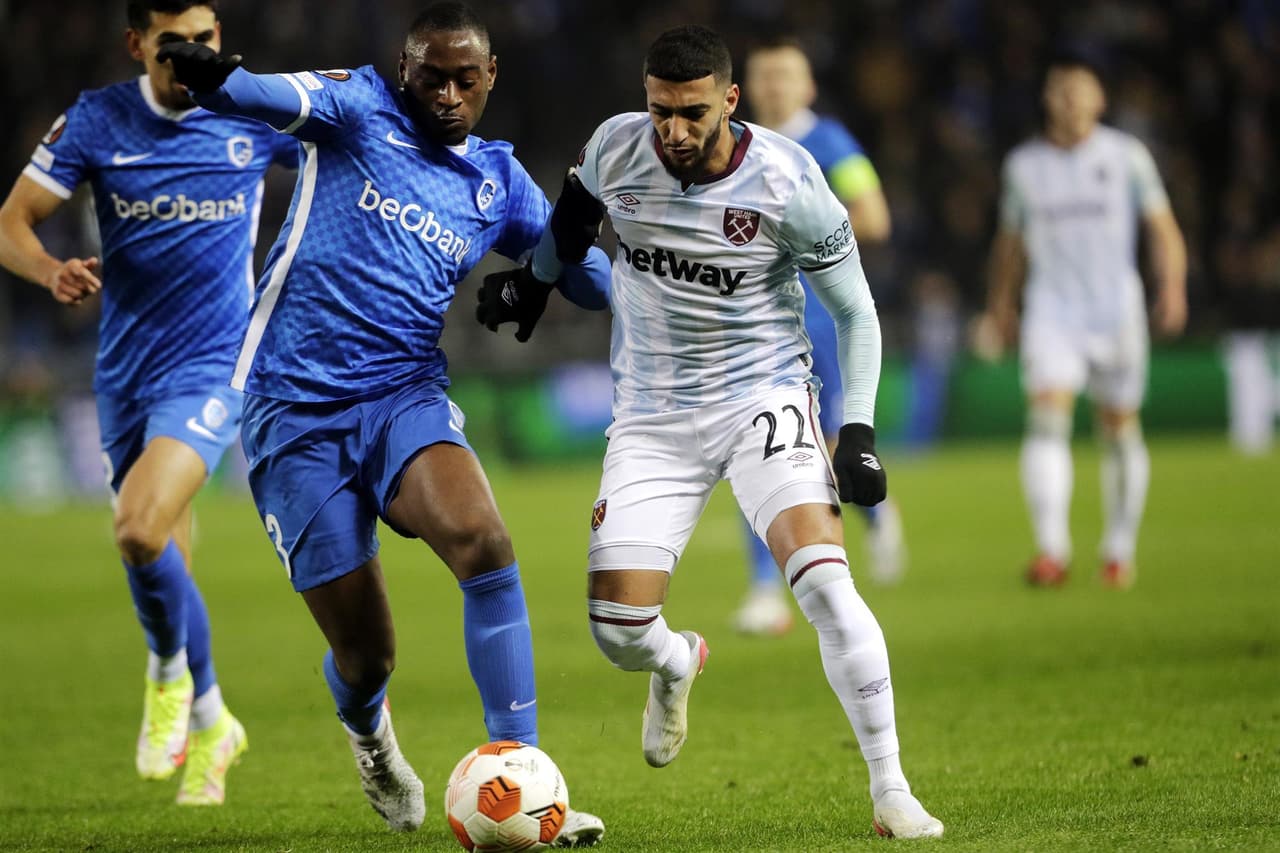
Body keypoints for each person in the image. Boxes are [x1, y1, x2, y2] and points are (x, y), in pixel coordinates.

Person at [157, 2, 606, 843]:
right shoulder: (355, 108)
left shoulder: (496, 181)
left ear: (491, 77)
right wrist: (217, 77)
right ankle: (369, 734)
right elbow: (262, 95)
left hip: (402, 395)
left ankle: (525, 772)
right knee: (369, 656)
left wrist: (563, 259)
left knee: (485, 541)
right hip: (293, 412)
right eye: (431, 77)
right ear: (404, 71)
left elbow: (590, 278)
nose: (447, 95)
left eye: (464, 80)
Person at [492, 24, 943, 839]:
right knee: (617, 632)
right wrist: (535, 283)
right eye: (659, 110)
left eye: (691, 112)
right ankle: (676, 661)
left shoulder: (789, 180)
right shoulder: (615, 147)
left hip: (762, 399)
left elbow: (857, 311)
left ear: (729, 101)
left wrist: (858, 430)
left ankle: (892, 788)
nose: (672, 130)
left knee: (826, 586)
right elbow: (572, 225)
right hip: (651, 417)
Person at [0, 0, 297, 806]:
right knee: (162, 553)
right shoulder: (98, 121)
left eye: (206, 39)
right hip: (124, 372)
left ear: (220, 37)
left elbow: (342, 140)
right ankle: (212, 720)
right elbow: (13, 221)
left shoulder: (252, 113)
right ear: (137, 45)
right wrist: (48, 270)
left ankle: (167, 673)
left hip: (213, 367)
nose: (193, 56)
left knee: (137, 527)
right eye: (174, 44)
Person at [979, 50, 1187, 589]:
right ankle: (1052, 551)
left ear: (1099, 99)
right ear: (1047, 99)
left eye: (1079, 90)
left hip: (1116, 309)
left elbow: (1163, 228)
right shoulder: (1024, 166)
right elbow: (1010, 243)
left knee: (1119, 428)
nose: (1069, 100)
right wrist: (1001, 305)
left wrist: (1172, 288)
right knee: (1047, 418)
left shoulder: (1126, 156)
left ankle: (1118, 550)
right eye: (1060, 90)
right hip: (1052, 310)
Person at [735, 37, 905, 637]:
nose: (774, 85)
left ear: (807, 86)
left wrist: (796, 235)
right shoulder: (736, 146)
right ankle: (765, 589)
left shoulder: (831, 144)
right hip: (756, 324)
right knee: (755, 440)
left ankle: (876, 518)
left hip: (821, 322)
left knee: (826, 445)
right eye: (765, 75)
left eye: (785, 74)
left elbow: (874, 215)